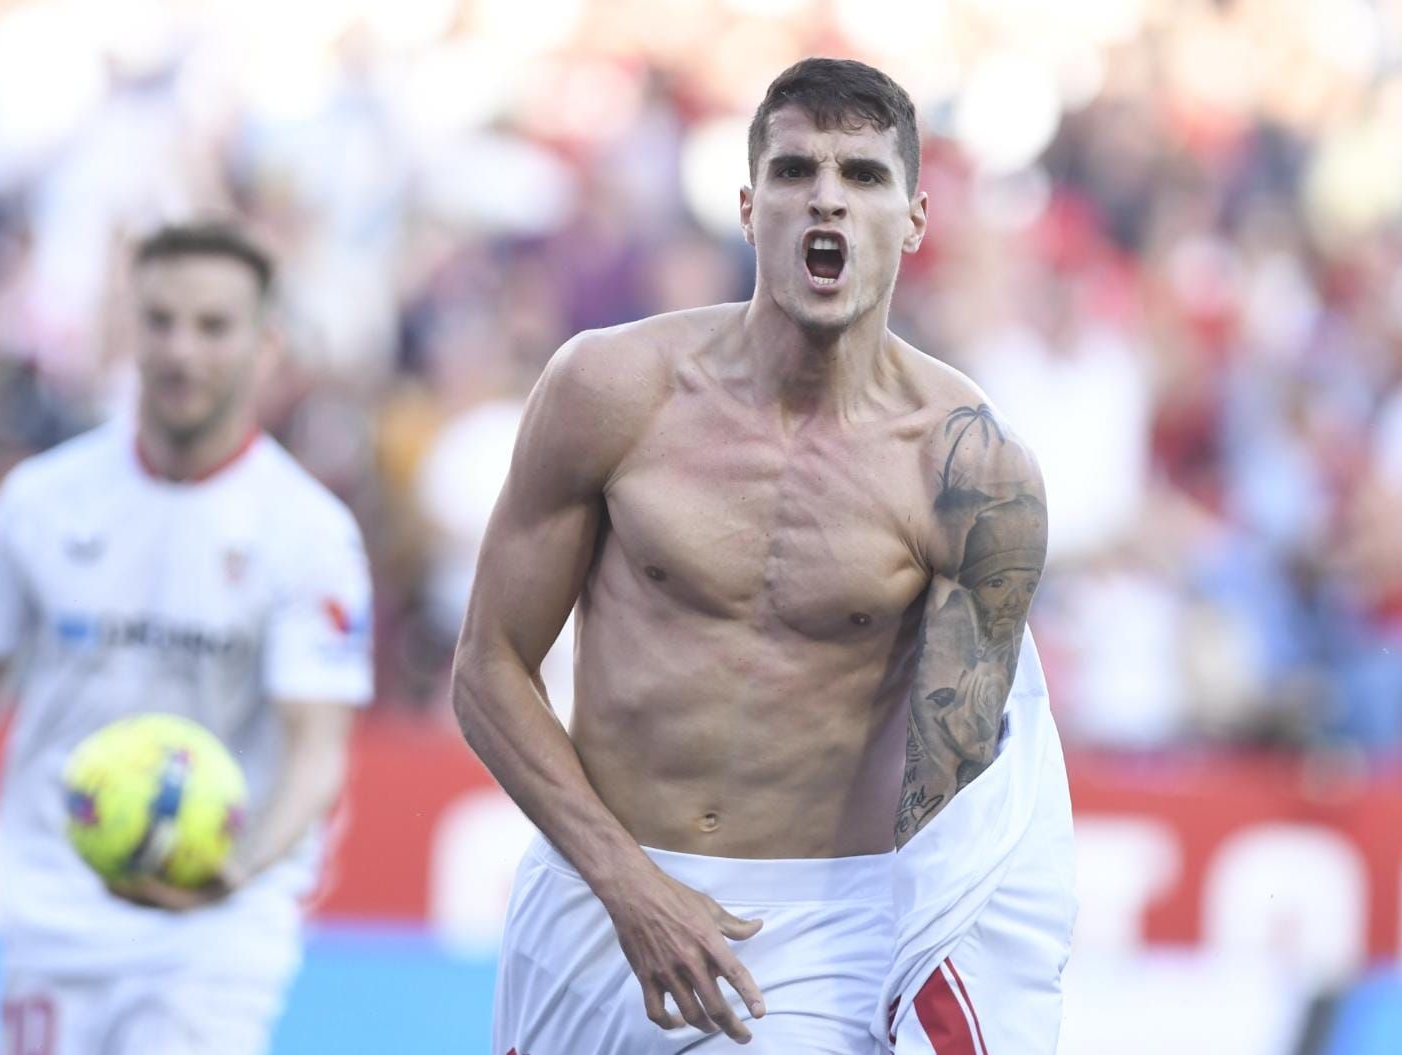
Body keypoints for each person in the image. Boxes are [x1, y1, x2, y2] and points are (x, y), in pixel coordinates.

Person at [453, 58, 1075, 1054]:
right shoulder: (608, 390)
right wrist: (626, 880)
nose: (825, 197)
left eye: (863, 176)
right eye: (795, 170)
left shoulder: (970, 471)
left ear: (913, 219)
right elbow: (486, 666)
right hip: (592, 892)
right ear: (749, 207)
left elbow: (960, 800)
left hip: (821, 932)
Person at [0, 221, 374, 1055]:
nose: (181, 351)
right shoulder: (42, 500)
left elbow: (318, 749)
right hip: (54, 911)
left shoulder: (310, 534)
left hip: (214, 930)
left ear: (266, 344)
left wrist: (237, 869)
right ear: (131, 327)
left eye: (213, 326)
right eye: (160, 321)